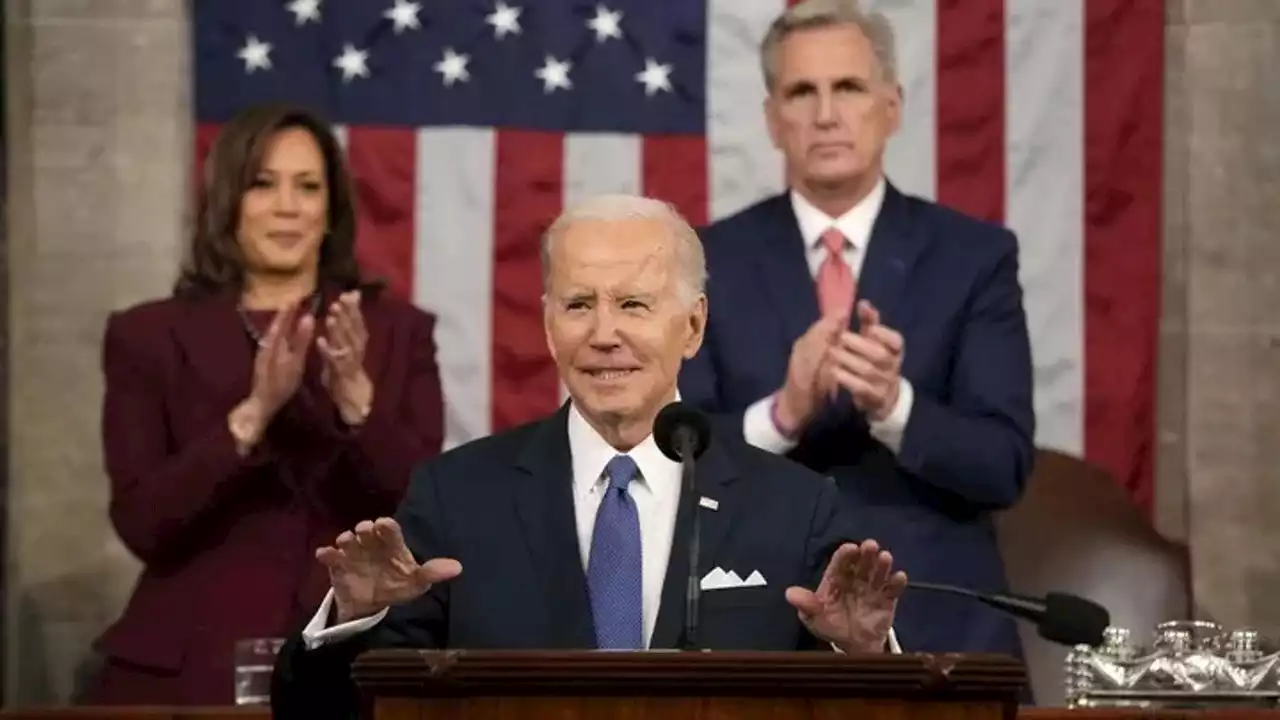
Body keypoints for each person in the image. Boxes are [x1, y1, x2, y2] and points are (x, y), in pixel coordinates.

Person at [268, 194, 907, 717]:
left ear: (692, 327)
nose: (605, 335)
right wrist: (353, 619)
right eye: (579, 305)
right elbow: (339, 714)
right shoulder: (457, 499)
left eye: (633, 304)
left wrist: (866, 657)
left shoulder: (793, 508)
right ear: (549, 328)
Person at [678, 0, 1035, 662]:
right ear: (772, 119)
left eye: (848, 87)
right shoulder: (706, 260)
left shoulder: (974, 257)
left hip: (935, 625)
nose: (825, 114)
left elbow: (1004, 466)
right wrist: (782, 415)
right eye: (801, 92)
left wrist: (894, 405)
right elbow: (669, 458)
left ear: (892, 106)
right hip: (757, 622)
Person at [82, 104, 445, 704]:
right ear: (228, 202)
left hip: (354, 661)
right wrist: (250, 416)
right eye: (262, 184)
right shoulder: (147, 336)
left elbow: (422, 508)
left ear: (331, 209)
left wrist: (357, 403)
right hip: (193, 664)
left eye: (307, 187)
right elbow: (142, 522)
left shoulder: (395, 332)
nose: (287, 206)